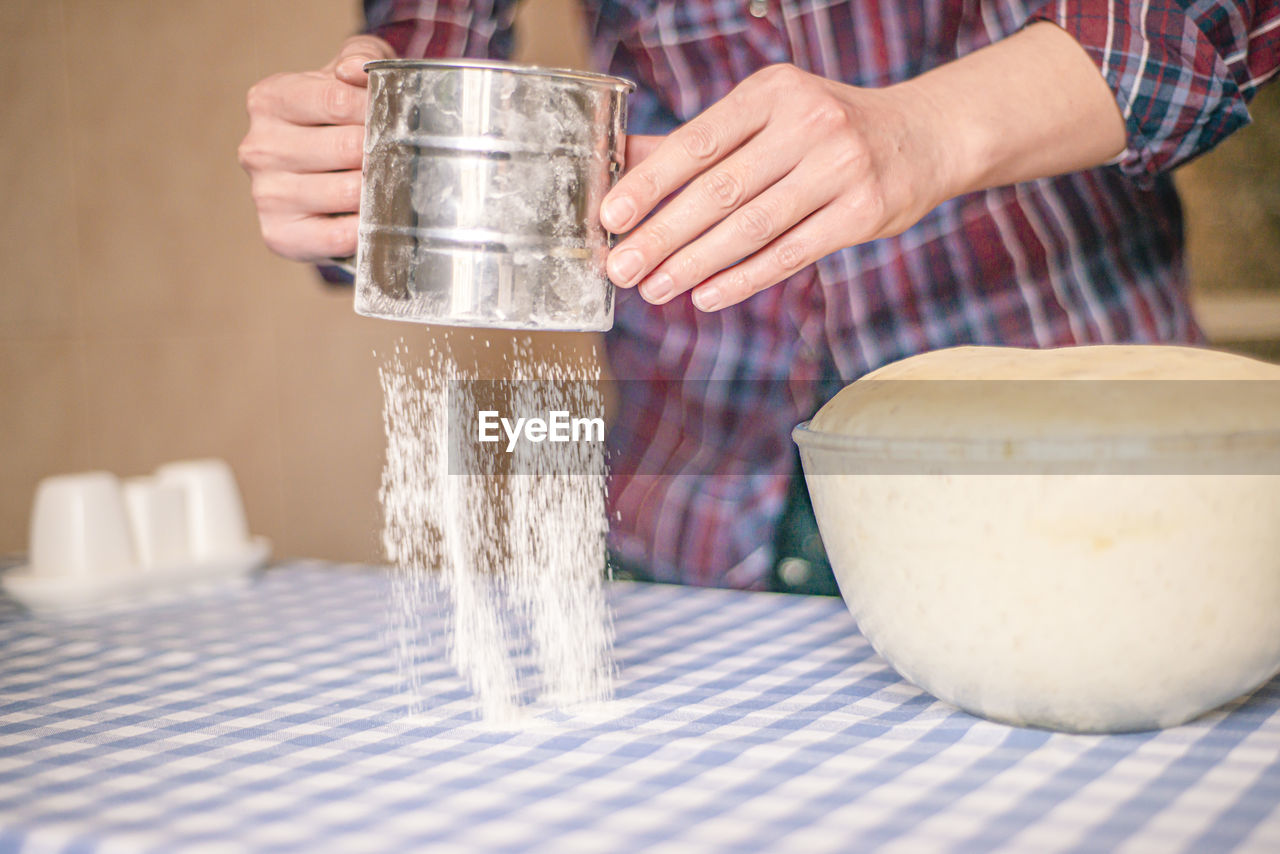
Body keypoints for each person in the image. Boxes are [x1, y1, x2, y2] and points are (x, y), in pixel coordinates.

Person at [240, 0, 1280, 592]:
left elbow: (1206, 19)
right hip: (688, 491)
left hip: (1048, 465)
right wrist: (356, 172)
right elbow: (430, 95)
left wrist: (920, 131)